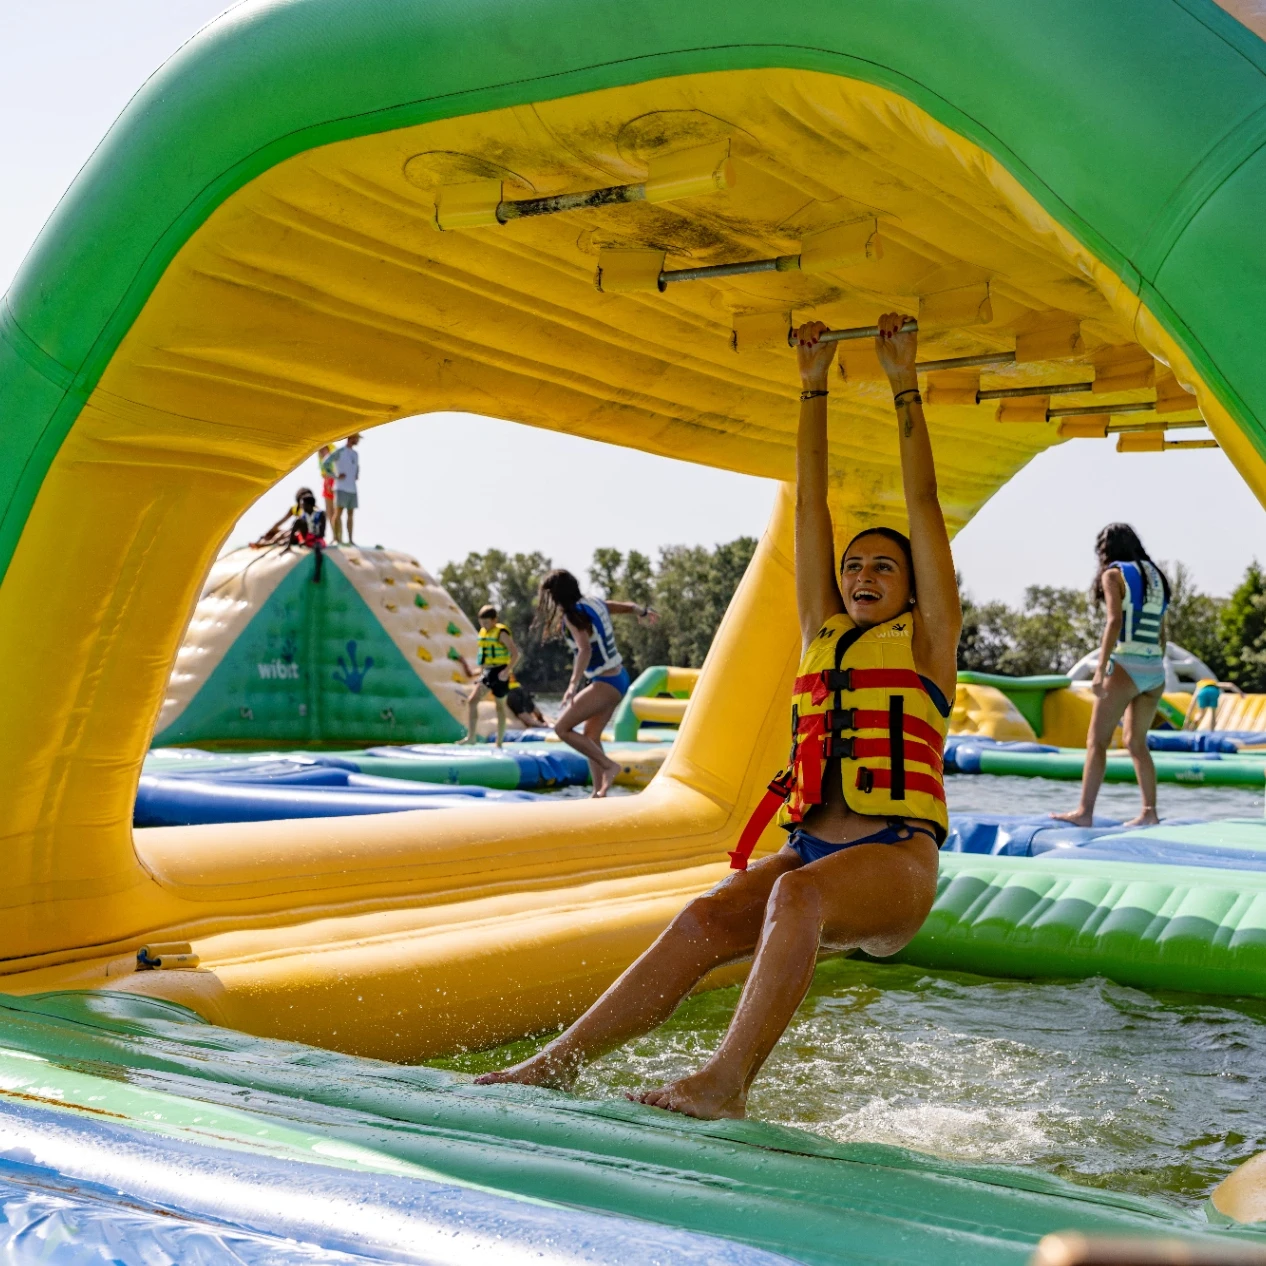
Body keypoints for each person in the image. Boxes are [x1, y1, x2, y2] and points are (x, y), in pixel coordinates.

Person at [476, 314, 961, 1116]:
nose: (863, 575)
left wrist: (902, 379)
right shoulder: (821, 632)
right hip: (812, 848)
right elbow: (810, 509)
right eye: (853, 566)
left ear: (914, 590)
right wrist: (811, 385)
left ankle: (723, 1082)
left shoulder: (927, 646)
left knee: (796, 896)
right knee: (704, 917)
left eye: (884, 566)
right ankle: (555, 1064)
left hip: (894, 863)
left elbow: (924, 501)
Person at [1052, 524, 1171, 828]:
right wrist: (1154, 661)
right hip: (1155, 669)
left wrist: (1100, 669)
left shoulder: (1113, 575)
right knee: (1136, 743)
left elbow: (1114, 621)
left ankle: (1084, 812)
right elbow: (1161, 629)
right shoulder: (1157, 576)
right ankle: (1150, 812)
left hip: (1126, 666)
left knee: (1097, 741)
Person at [531, 571, 658, 798]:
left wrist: (572, 684)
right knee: (591, 735)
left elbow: (585, 649)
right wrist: (642, 611)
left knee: (562, 729)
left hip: (606, 682)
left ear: (557, 595)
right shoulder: (594, 602)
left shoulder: (572, 616)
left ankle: (609, 766)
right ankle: (599, 794)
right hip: (618, 677)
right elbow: (625, 607)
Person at [459, 605, 522, 748]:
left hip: (500, 671)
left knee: (500, 706)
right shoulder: (483, 633)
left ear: (495, 620)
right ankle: (471, 737)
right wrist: (481, 673)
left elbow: (515, 654)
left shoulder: (501, 633)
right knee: (472, 701)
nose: (484, 626)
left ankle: (499, 742)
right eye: (481, 623)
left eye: (487, 623)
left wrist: (506, 671)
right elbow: (484, 656)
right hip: (488, 672)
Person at [331, 434, 361, 545]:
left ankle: (350, 540)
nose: (358, 440)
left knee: (350, 514)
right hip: (341, 488)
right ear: (351, 438)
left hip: (352, 488)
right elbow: (326, 463)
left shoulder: (355, 454)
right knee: (338, 513)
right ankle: (336, 538)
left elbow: (356, 466)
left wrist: (357, 474)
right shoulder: (340, 451)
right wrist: (335, 476)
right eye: (356, 438)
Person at [318, 445, 337, 526]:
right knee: (329, 511)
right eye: (320, 451)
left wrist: (329, 483)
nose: (322, 452)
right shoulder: (322, 461)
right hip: (326, 482)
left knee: (335, 511)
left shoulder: (332, 458)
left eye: (324, 450)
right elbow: (323, 474)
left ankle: (337, 532)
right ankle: (335, 532)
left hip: (332, 481)